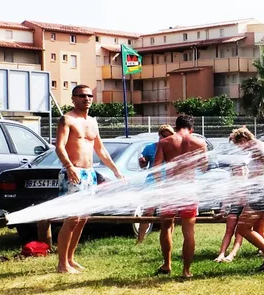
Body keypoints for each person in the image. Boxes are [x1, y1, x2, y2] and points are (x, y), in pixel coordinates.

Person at [53, 85, 125, 274]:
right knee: (72, 219)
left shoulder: (93, 122)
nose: (87, 98)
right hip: (73, 172)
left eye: (90, 95)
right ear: (73, 98)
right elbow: (59, 147)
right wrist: (69, 167)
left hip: (89, 173)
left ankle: (70, 258)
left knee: (83, 219)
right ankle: (62, 264)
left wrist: (116, 170)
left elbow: (100, 149)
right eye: (82, 95)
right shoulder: (67, 119)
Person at [152, 114, 209, 278]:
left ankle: (167, 264)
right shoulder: (199, 143)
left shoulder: (164, 142)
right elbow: (204, 167)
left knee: (166, 227)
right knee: (189, 232)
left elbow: (156, 168)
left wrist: (160, 186)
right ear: (192, 129)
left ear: (176, 127)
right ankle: (186, 271)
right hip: (189, 190)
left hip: (170, 189)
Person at [229, 126, 264, 272]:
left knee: (242, 227)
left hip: (261, 191)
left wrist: (252, 177)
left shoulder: (255, 146)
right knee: (260, 229)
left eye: (239, 145)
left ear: (243, 140)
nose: (240, 149)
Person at [136, 124, 175, 245]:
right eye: (163, 136)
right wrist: (142, 162)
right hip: (152, 183)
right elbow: (143, 165)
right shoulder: (150, 148)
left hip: (168, 183)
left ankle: (169, 240)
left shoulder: (174, 148)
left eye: (169, 137)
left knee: (168, 213)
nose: (165, 139)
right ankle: (140, 240)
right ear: (159, 135)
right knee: (148, 212)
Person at [215, 164, 246, 263]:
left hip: (246, 208)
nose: (239, 172)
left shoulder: (249, 182)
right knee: (229, 230)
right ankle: (221, 253)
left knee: (239, 232)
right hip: (234, 207)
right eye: (236, 170)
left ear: (245, 170)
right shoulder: (231, 184)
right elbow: (226, 198)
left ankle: (232, 254)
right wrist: (223, 210)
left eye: (240, 170)